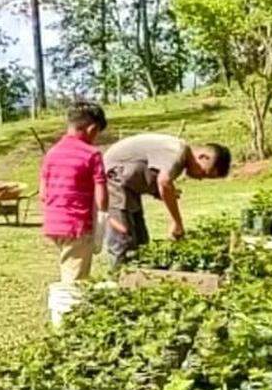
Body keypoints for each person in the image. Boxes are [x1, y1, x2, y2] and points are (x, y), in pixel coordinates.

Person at [103, 133, 232, 265]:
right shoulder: (177, 151)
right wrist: (177, 223)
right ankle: (117, 278)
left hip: (128, 186)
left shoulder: (178, 157)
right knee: (122, 240)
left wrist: (159, 193)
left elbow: (148, 171)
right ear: (203, 157)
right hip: (113, 179)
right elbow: (164, 182)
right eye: (204, 173)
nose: (200, 178)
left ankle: (136, 278)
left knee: (141, 241)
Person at [41, 101, 109, 284]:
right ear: (92, 128)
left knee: (69, 265)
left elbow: (43, 193)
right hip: (77, 224)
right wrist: (102, 221)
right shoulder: (92, 154)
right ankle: (68, 310)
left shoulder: (52, 153)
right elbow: (101, 194)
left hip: (54, 224)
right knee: (75, 279)